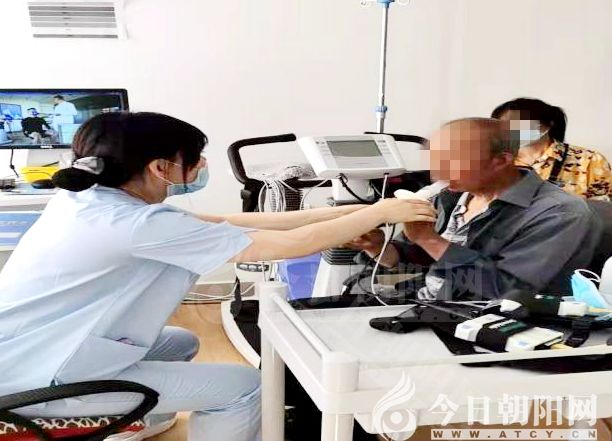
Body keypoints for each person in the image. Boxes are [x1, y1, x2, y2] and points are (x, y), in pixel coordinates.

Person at [0, 112, 436, 441]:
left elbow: (230, 222)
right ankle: (100, 411)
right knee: (245, 388)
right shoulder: (138, 224)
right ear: (161, 168)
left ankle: (133, 423)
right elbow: (289, 245)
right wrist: (381, 212)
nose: (200, 167)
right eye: (192, 160)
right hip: (45, 378)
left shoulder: (88, 200)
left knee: (181, 342)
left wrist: (354, 211)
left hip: (26, 351)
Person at [349, 118, 601, 301]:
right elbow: (422, 256)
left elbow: (507, 291)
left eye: (452, 161)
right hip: (430, 303)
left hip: (495, 323)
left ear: (501, 160)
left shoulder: (558, 213)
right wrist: (379, 247)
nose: (438, 174)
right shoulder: (451, 196)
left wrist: (429, 239)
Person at [491, 97, 612, 200]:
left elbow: (606, 208)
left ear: (549, 123)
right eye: (507, 124)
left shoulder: (589, 160)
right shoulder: (494, 161)